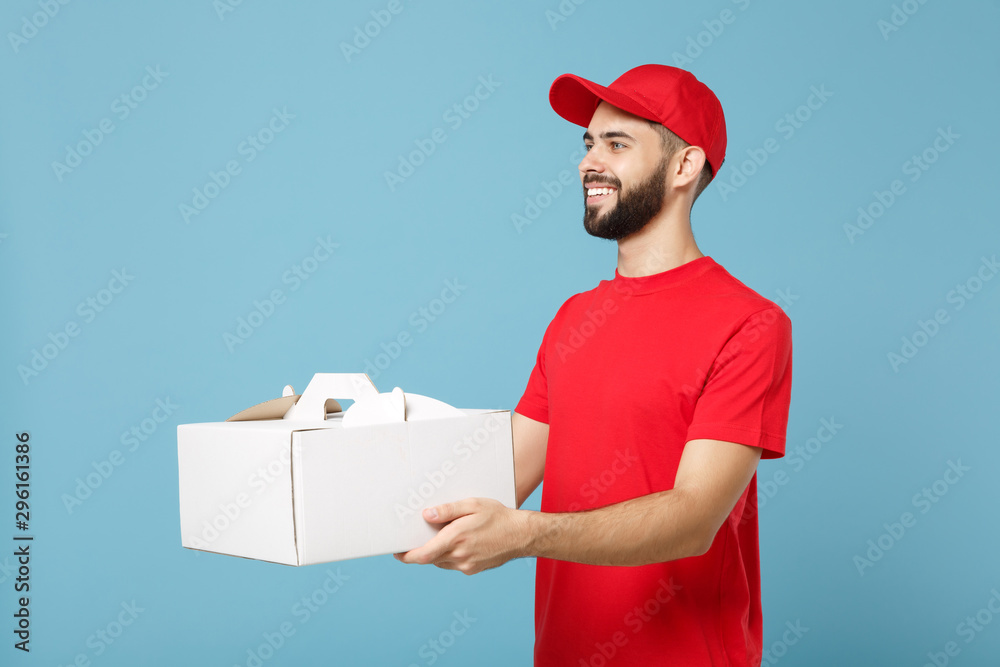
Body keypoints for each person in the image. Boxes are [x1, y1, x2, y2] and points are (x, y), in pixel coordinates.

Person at [394, 64, 793, 667]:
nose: (588, 162)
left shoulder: (750, 324)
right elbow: (496, 475)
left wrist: (526, 534)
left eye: (617, 143)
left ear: (684, 166)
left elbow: (694, 518)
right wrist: (353, 477)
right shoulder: (574, 319)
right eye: (588, 143)